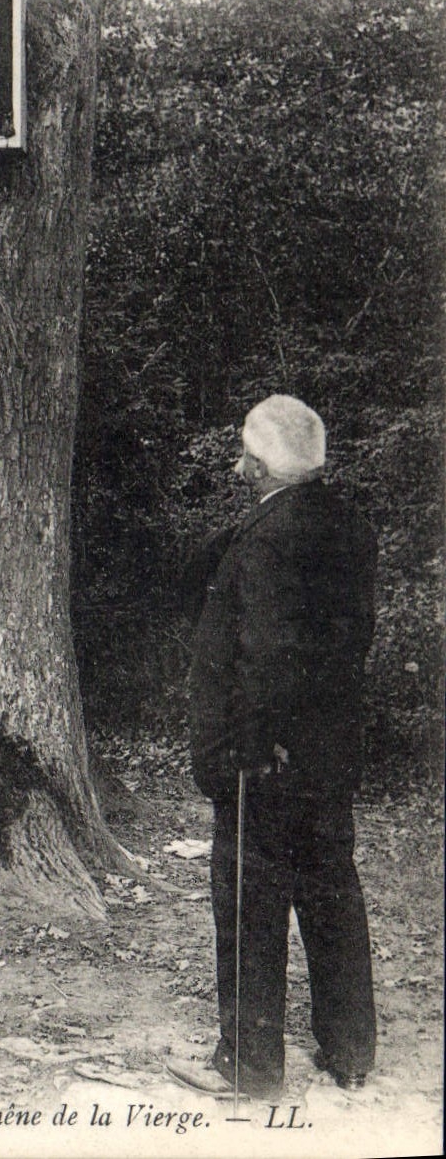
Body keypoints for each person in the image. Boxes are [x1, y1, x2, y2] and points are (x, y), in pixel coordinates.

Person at [169, 394, 377, 1100]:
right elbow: (349, 641)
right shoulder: (348, 525)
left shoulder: (264, 539)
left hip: (266, 755)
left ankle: (246, 1064)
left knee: (248, 900)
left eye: (242, 455)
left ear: (260, 467)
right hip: (330, 748)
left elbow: (265, 656)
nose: (235, 465)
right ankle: (349, 1050)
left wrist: (250, 747)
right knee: (329, 889)